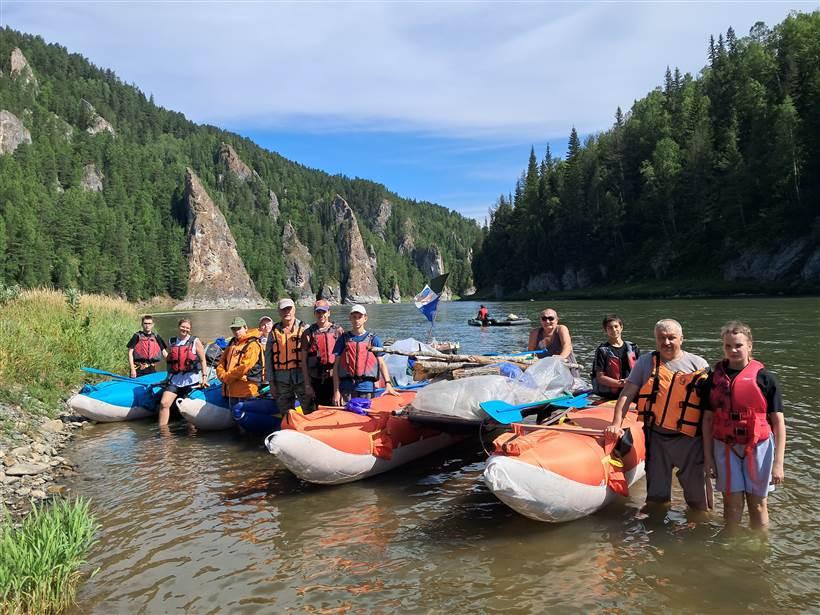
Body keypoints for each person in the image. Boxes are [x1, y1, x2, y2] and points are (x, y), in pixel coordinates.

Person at [604, 319, 710, 511]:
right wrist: (616, 423)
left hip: (689, 440)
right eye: (662, 338)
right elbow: (627, 394)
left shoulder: (699, 364)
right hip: (657, 437)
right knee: (656, 500)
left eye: (671, 338)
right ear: (656, 339)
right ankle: (658, 534)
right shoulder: (646, 362)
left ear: (681, 339)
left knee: (697, 501)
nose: (667, 342)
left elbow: (709, 408)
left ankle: (699, 530)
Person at [702, 322, 786, 529]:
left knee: (757, 505)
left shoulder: (766, 379)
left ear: (750, 346)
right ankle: (730, 546)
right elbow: (708, 420)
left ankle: (759, 550)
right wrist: (708, 457)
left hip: (758, 445)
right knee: (731, 503)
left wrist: (778, 463)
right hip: (725, 445)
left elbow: (778, 422)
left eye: (738, 345)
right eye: (728, 346)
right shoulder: (713, 380)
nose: (733, 350)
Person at [332, 304, 398, 405]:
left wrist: (388, 384)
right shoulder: (343, 339)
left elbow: (381, 363)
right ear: (350, 318)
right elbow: (336, 367)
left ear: (365, 318)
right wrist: (336, 391)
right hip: (346, 388)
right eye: (354, 317)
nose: (357, 320)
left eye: (360, 317)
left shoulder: (373, 339)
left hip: (366, 388)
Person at [158, 318, 207, 426]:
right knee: (164, 403)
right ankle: (163, 432)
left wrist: (204, 378)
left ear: (190, 329)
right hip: (175, 379)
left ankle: (191, 435)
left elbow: (203, 360)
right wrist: (167, 378)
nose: (185, 329)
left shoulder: (195, 341)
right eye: (183, 327)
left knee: (189, 409)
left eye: (187, 328)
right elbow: (170, 362)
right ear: (178, 327)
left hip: (191, 380)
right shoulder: (172, 341)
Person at [301, 299, 344, 411]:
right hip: (316, 380)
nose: (321, 315)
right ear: (314, 313)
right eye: (318, 312)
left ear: (328, 313)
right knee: (319, 410)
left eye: (323, 312)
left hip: (334, 378)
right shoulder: (308, 333)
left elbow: (344, 356)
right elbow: (304, 362)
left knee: (337, 410)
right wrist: (307, 385)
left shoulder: (338, 331)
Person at [265, 298, 307, 413]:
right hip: (281, 380)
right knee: (286, 412)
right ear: (279, 312)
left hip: (302, 378)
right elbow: (268, 359)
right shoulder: (273, 332)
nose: (286, 312)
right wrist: (271, 383)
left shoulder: (305, 329)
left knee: (309, 410)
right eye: (283, 309)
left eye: (289, 309)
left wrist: (310, 382)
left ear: (294, 310)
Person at [216, 317, 265, 408]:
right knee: (235, 417)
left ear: (245, 328)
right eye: (234, 329)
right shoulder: (232, 344)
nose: (236, 331)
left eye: (239, 328)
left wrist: (227, 377)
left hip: (245, 391)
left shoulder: (253, 344)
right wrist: (222, 375)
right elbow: (221, 363)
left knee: (245, 418)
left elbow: (245, 366)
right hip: (231, 390)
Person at [592, 314, 640, 399]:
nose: (614, 330)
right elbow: (600, 377)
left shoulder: (633, 348)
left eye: (616, 326)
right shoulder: (602, 350)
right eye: (610, 327)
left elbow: (640, 371)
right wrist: (622, 384)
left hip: (632, 392)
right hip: (611, 395)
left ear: (621, 327)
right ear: (605, 330)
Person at [527, 308, 579, 376]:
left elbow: (567, 346)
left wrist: (560, 358)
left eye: (551, 318)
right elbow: (530, 352)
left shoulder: (561, 329)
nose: (547, 321)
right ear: (541, 321)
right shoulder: (534, 332)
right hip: (544, 370)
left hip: (565, 369)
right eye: (544, 319)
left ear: (557, 320)